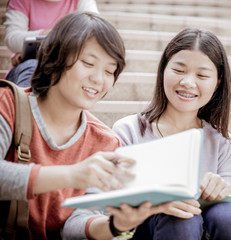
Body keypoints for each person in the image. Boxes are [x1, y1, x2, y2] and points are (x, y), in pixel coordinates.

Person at [63, 27, 231, 240]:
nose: (188, 82)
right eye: (179, 70)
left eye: (202, 75)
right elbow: (104, 210)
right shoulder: (128, 131)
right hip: (145, 230)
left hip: (205, 229)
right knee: (181, 215)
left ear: (217, 83)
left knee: (229, 215)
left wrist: (219, 190)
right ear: (163, 69)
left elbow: (228, 210)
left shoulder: (222, 141)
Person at [0, 11, 134, 239]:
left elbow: (76, 223)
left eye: (109, 71)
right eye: (88, 63)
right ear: (56, 58)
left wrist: (114, 225)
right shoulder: (7, 103)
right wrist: (73, 174)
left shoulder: (105, 141)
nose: (98, 79)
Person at [4, 0, 98, 87]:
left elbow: (93, 30)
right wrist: (49, 35)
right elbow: (12, 39)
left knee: (74, 70)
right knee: (33, 67)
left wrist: (42, 42)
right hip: (31, 67)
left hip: (66, 64)